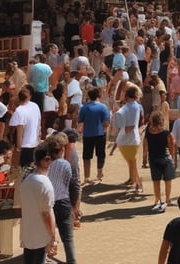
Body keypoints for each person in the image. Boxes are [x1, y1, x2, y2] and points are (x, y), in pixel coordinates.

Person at [20, 144, 58, 264]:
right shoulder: (45, 184)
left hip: (28, 236)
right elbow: (46, 213)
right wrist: (53, 237)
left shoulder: (26, 181)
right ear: (46, 161)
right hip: (41, 237)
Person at [45, 132, 78, 264]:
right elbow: (72, 184)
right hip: (63, 203)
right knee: (68, 239)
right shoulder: (65, 164)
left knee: (47, 234)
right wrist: (74, 204)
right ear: (62, 150)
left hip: (48, 204)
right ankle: (71, 261)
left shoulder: (45, 164)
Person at [144, 110, 176, 213]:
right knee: (168, 180)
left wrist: (144, 160)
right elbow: (171, 146)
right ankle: (167, 199)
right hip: (165, 159)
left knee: (156, 181)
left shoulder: (148, 132)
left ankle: (157, 199)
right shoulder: (166, 133)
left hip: (153, 159)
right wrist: (173, 158)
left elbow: (145, 147)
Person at [77, 87, 110, 184]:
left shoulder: (84, 108)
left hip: (88, 134)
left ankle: (87, 176)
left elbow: (80, 122)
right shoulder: (103, 107)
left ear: (88, 96)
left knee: (87, 156)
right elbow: (106, 123)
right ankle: (99, 173)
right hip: (100, 134)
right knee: (101, 154)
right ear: (98, 96)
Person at [114, 85, 143, 194]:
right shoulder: (134, 106)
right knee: (132, 162)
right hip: (130, 139)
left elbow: (128, 127)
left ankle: (138, 183)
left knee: (132, 163)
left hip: (129, 139)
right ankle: (133, 180)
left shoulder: (131, 107)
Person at [9, 87, 42, 167]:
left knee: (23, 169)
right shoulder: (35, 106)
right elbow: (39, 123)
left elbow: (19, 131)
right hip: (35, 143)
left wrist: (18, 148)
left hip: (25, 146)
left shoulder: (19, 111)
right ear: (29, 96)